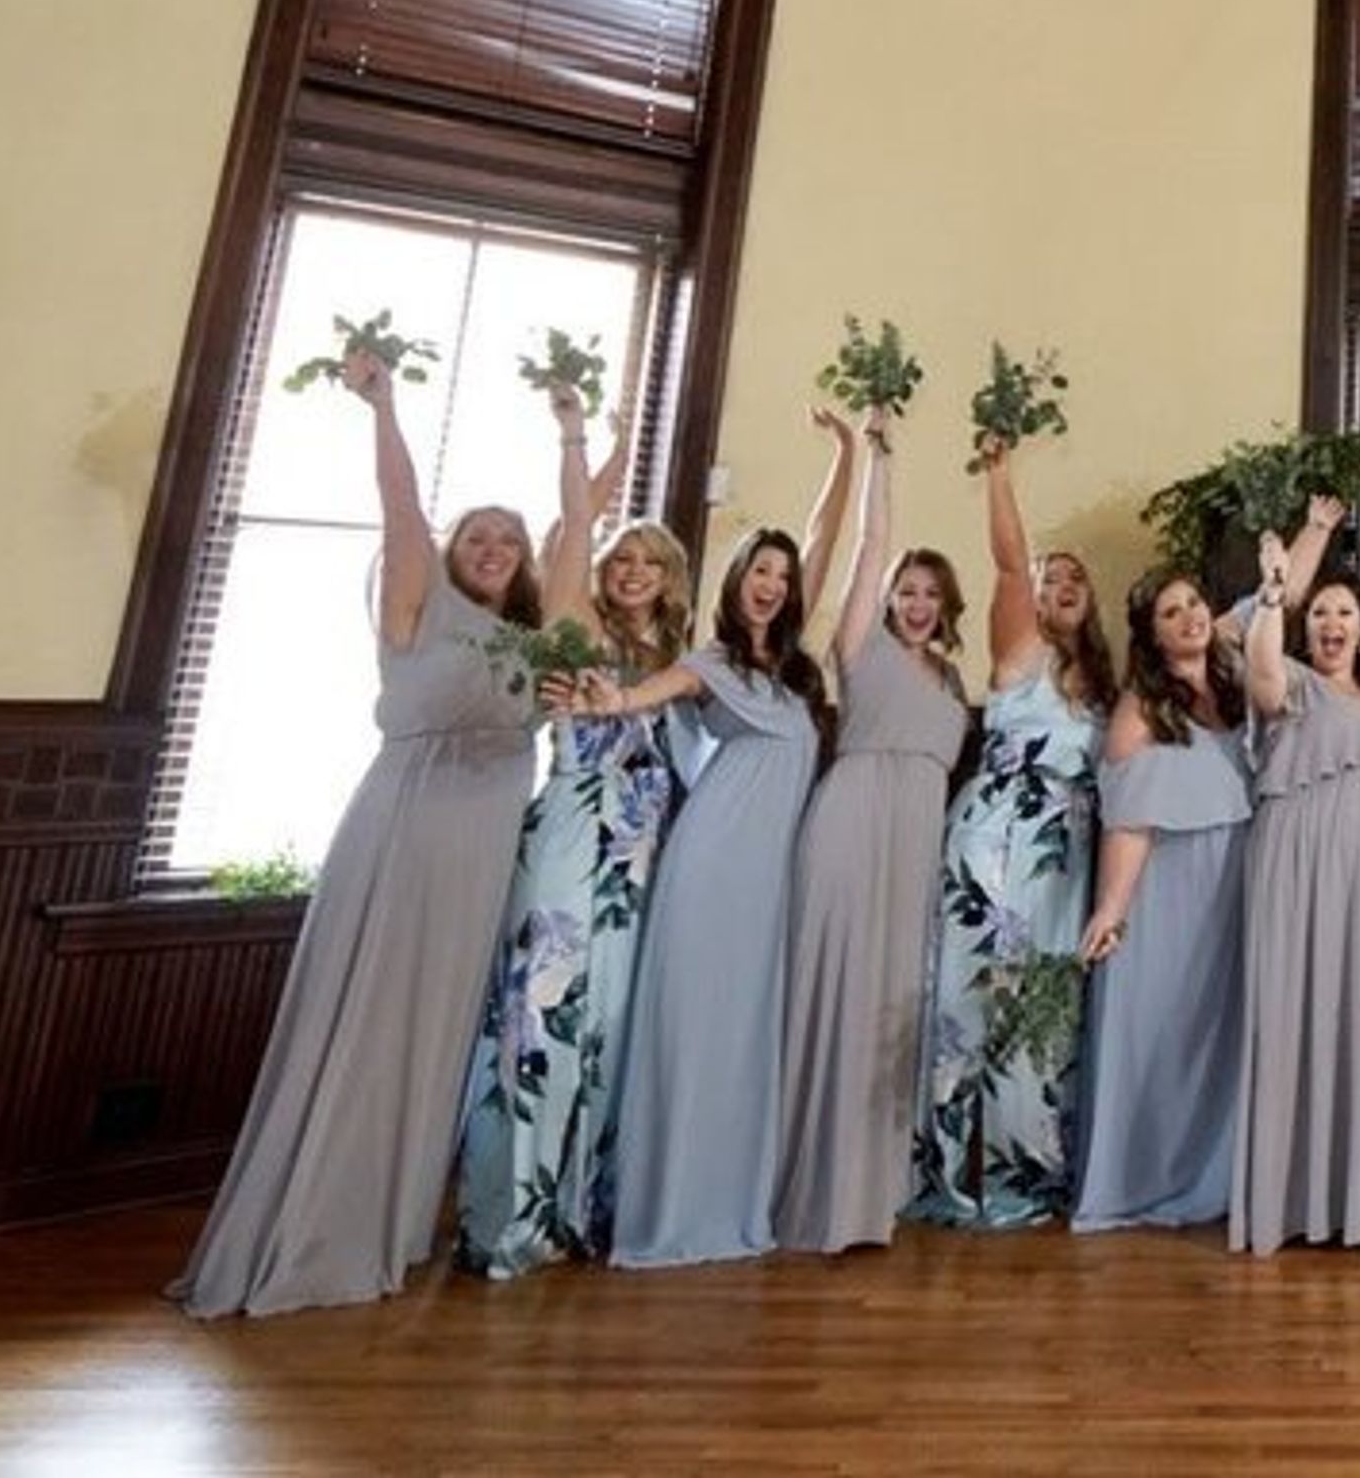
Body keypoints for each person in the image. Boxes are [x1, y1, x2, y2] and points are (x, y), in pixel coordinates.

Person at [171, 350, 544, 1318]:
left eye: (511, 537)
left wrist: (583, 433)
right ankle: (315, 1228)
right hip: (406, 829)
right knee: (372, 1013)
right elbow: (400, 506)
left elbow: (580, 537)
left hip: (479, 862)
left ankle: (390, 1223)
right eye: (480, 534)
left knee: (434, 1031)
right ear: (453, 549)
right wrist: (385, 405)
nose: (495, 545)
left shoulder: (541, 644)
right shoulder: (417, 606)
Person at [568, 412, 858, 1269]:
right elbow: (637, 695)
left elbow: (823, 536)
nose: (770, 582)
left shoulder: (799, 671)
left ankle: (728, 1203)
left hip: (770, 880)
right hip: (707, 866)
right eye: (757, 571)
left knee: (741, 1035)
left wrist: (849, 452)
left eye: (780, 574)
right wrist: (603, 699)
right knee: (692, 1030)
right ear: (733, 582)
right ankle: (663, 1211)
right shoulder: (709, 662)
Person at [455, 373, 690, 1279]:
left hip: (643, 851)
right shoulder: (573, 620)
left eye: (650, 562)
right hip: (568, 832)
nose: (631, 570)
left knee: (613, 1021)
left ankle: (584, 1205)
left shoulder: (676, 656)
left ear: (670, 581)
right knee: (540, 1009)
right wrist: (577, 437)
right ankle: (511, 1217)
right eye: (621, 558)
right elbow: (573, 527)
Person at [773, 408, 971, 1253]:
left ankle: (866, 1197)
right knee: (833, 990)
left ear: (948, 603)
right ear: (885, 597)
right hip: (854, 819)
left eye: (931, 591)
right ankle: (802, 1190)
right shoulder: (863, 650)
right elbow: (868, 541)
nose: (917, 602)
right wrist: (878, 453)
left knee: (891, 1004)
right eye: (905, 589)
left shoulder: (955, 677)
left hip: (916, 840)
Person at [908, 438, 1120, 1230]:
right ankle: (962, 1175)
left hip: (1066, 858)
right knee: (974, 1003)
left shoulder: (1102, 681)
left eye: (1075, 579)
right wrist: (1001, 475)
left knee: (1044, 1006)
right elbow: (1006, 563)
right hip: (995, 842)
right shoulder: (1021, 649)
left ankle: (1030, 1171)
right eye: (1049, 578)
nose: (1061, 585)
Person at [1071, 541, 1289, 1231]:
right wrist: (1112, 906)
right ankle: (1139, 1174)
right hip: (1167, 886)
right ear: (1152, 633)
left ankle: (1215, 1173)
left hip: (1233, 879)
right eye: (1172, 611)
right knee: (1160, 1025)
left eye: (1194, 603)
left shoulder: (1228, 664)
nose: (1191, 616)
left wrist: (1314, 529)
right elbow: (1129, 818)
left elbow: (1275, 595)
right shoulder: (1141, 709)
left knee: (1218, 1032)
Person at [1231, 513, 1360, 1252]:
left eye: (1345, 613)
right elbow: (1262, 672)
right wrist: (1275, 594)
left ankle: (1359, 1200)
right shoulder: (1295, 685)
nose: (1332, 623)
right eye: (1321, 614)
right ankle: (1290, 1198)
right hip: (1299, 873)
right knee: (1295, 1013)